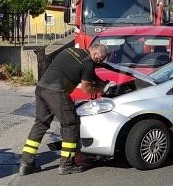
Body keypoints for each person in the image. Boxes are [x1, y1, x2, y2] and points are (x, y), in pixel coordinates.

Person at [20, 44, 109, 176]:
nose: (100, 62)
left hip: (41, 88)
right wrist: (100, 89)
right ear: (94, 52)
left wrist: (100, 82)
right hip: (57, 92)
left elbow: (81, 72)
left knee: (40, 124)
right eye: (100, 59)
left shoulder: (70, 50)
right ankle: (67, 165)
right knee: (71, 124)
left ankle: (26, 164)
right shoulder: (88, 62)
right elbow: (86, 88)